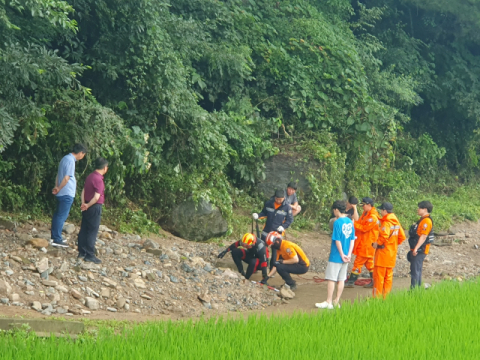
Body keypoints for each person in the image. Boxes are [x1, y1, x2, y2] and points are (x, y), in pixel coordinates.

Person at [315, 200, 355, 309]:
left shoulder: (337, 222)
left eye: (334, 210)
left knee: (331, 279)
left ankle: (329, 302)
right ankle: (337, 301)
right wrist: (348, 254)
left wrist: (341, 254)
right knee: (341, 279)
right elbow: (352, 239)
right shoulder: (349, 221)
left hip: (337, 255)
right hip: (347, 255)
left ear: (336, 209)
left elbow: (337, 240)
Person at [51, 144, 87, 247]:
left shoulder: (64, 158)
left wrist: (56, 186)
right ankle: (56, 239)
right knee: (61, 216)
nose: (82, 157)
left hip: (61, 192)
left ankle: (55, 236)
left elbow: (59, 175)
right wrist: (59, 188)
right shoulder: (71, 161)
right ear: (80, 153)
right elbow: (66, 178)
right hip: (66, 192)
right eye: (83, 154)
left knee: (58, 215)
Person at [77, 157, 108, 264]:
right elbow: (96, 197)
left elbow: (83, 190)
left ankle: (81, 252)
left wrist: (83, 203)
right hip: (94, 207)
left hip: (86, 204)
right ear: (104, 168)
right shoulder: (99, 180)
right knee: (92, 231)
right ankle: (90, 254)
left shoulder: (90, 176)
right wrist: (88, 205)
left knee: (84, 229)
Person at [372, 202, 406, 298]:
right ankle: (386, 298)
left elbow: (384, 236)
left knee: (379, 278)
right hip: (391, 254)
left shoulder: (386, 223)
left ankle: (376, 299)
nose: (380, 212)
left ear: (384, 210)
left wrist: (377, 244)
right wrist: (393, 245)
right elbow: (402, 237)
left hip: (383, 254)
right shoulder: (396, 222)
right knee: (388, 278)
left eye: (381, 210)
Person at [345, 197, 379, 288]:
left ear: (369, 205)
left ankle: (351, 281)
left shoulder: (372, 217)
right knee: (370, 264)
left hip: (367, 244)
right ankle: (375, 281)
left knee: (358, 262)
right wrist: (355, 223)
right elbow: (359, 222)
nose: (363, 207)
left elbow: (364, 228)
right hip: (364, 243)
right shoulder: (366, 213)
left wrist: (354, 224)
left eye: (364, 205)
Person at [408, 201, 434, 289]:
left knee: (415, 270)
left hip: (420, 250)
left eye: (419, 208)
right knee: (416, 269)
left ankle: (414, 291)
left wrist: (416, 248)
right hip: (418, 249)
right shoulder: (422, 220)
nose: (418, 209)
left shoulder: (426, 221)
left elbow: (423, 236)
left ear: (425, 209)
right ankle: (417, 289)